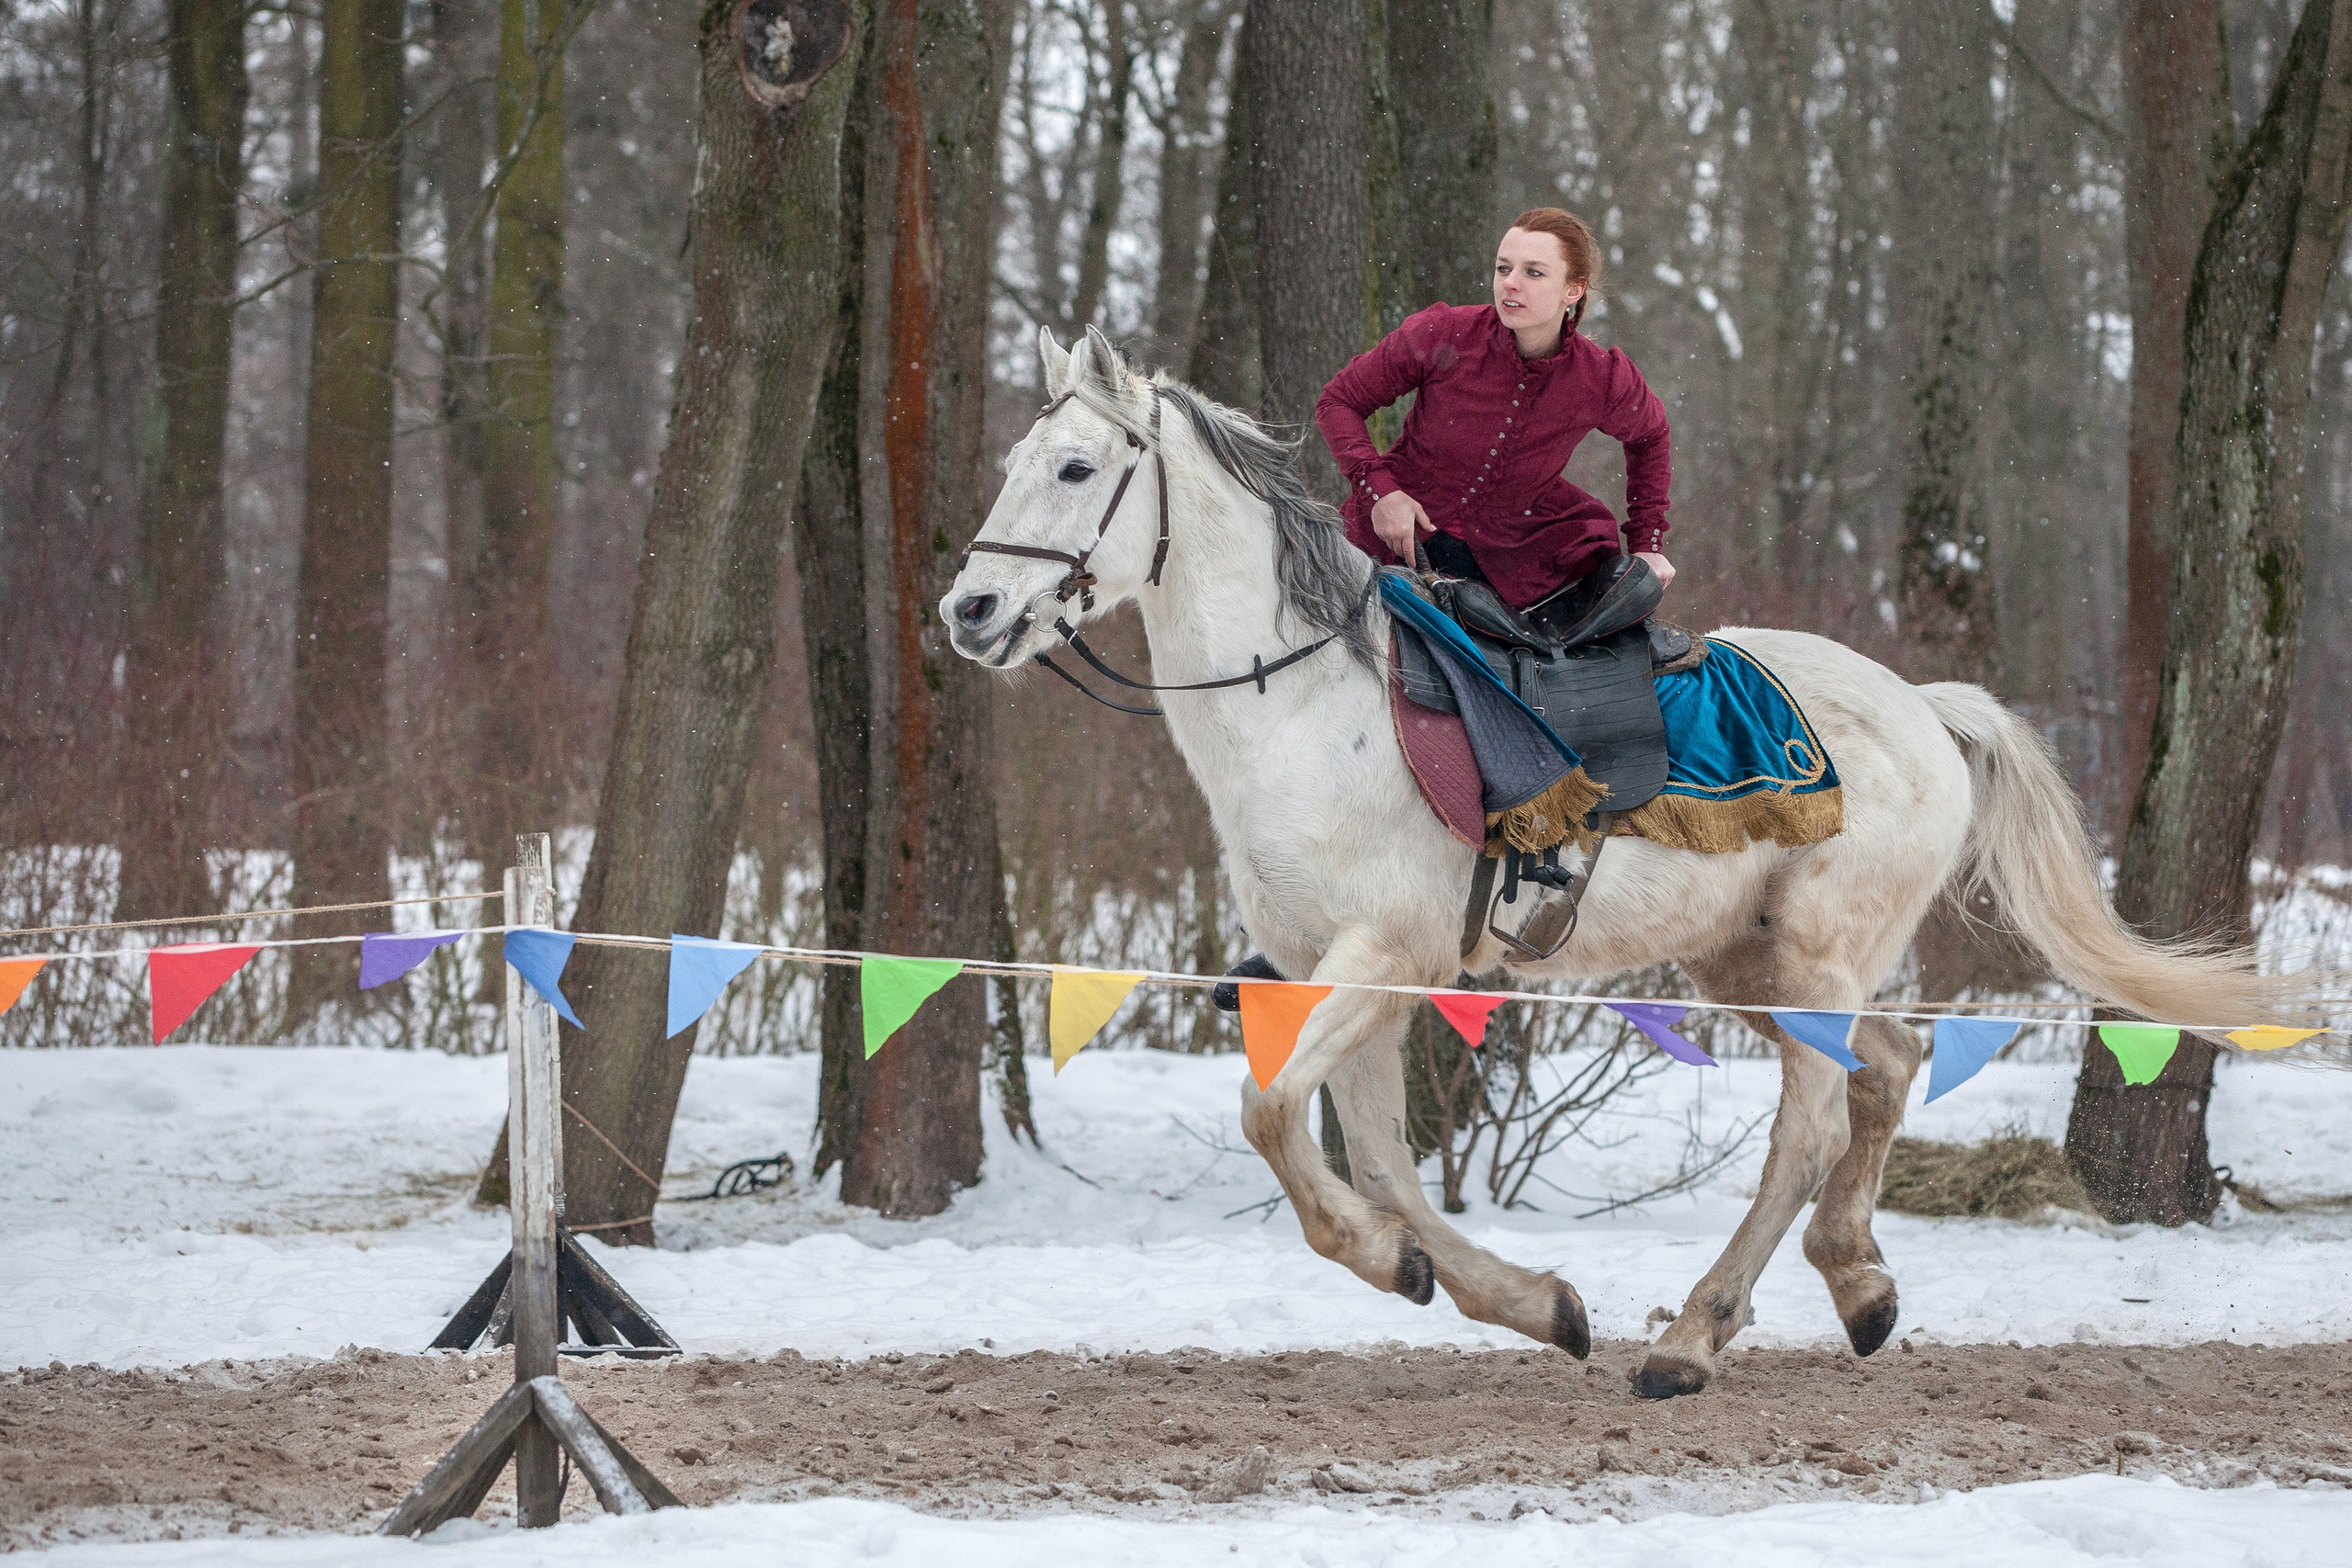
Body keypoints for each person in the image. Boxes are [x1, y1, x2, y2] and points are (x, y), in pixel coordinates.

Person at [1314, 206, 1674, 609]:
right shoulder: (1443, 332)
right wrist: (1381, 493)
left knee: (1602, 648)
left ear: (1573, 290)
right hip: (1396, 538)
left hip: (1525, 556)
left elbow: (1650, 434)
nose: (1510, 284)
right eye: (1503, 269)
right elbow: (1339, 401)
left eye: (1533, 272)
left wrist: (1648, 543)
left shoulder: (1600, 377)